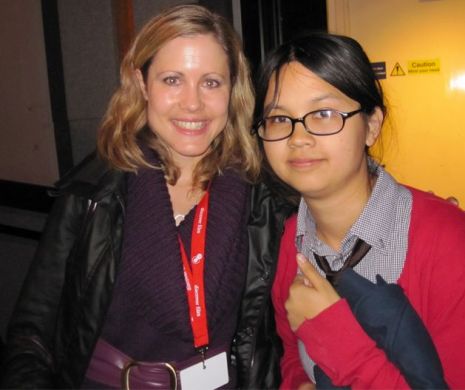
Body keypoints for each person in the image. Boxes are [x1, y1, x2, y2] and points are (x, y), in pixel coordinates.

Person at [0, 4, 280, 389]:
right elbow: (33, 332)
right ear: (141, 83)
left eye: (211, 82)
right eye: (172, 80)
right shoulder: (93, 192)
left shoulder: (263, 198)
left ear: (233, 89)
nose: (193, 103)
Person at [251, 32, 465, 389]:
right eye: (278, 119)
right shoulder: (289, 239)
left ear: (371, 125)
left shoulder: (448, 243)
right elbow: (292, 354)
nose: (297, 137)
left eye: (323, 114)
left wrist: (331, 332)